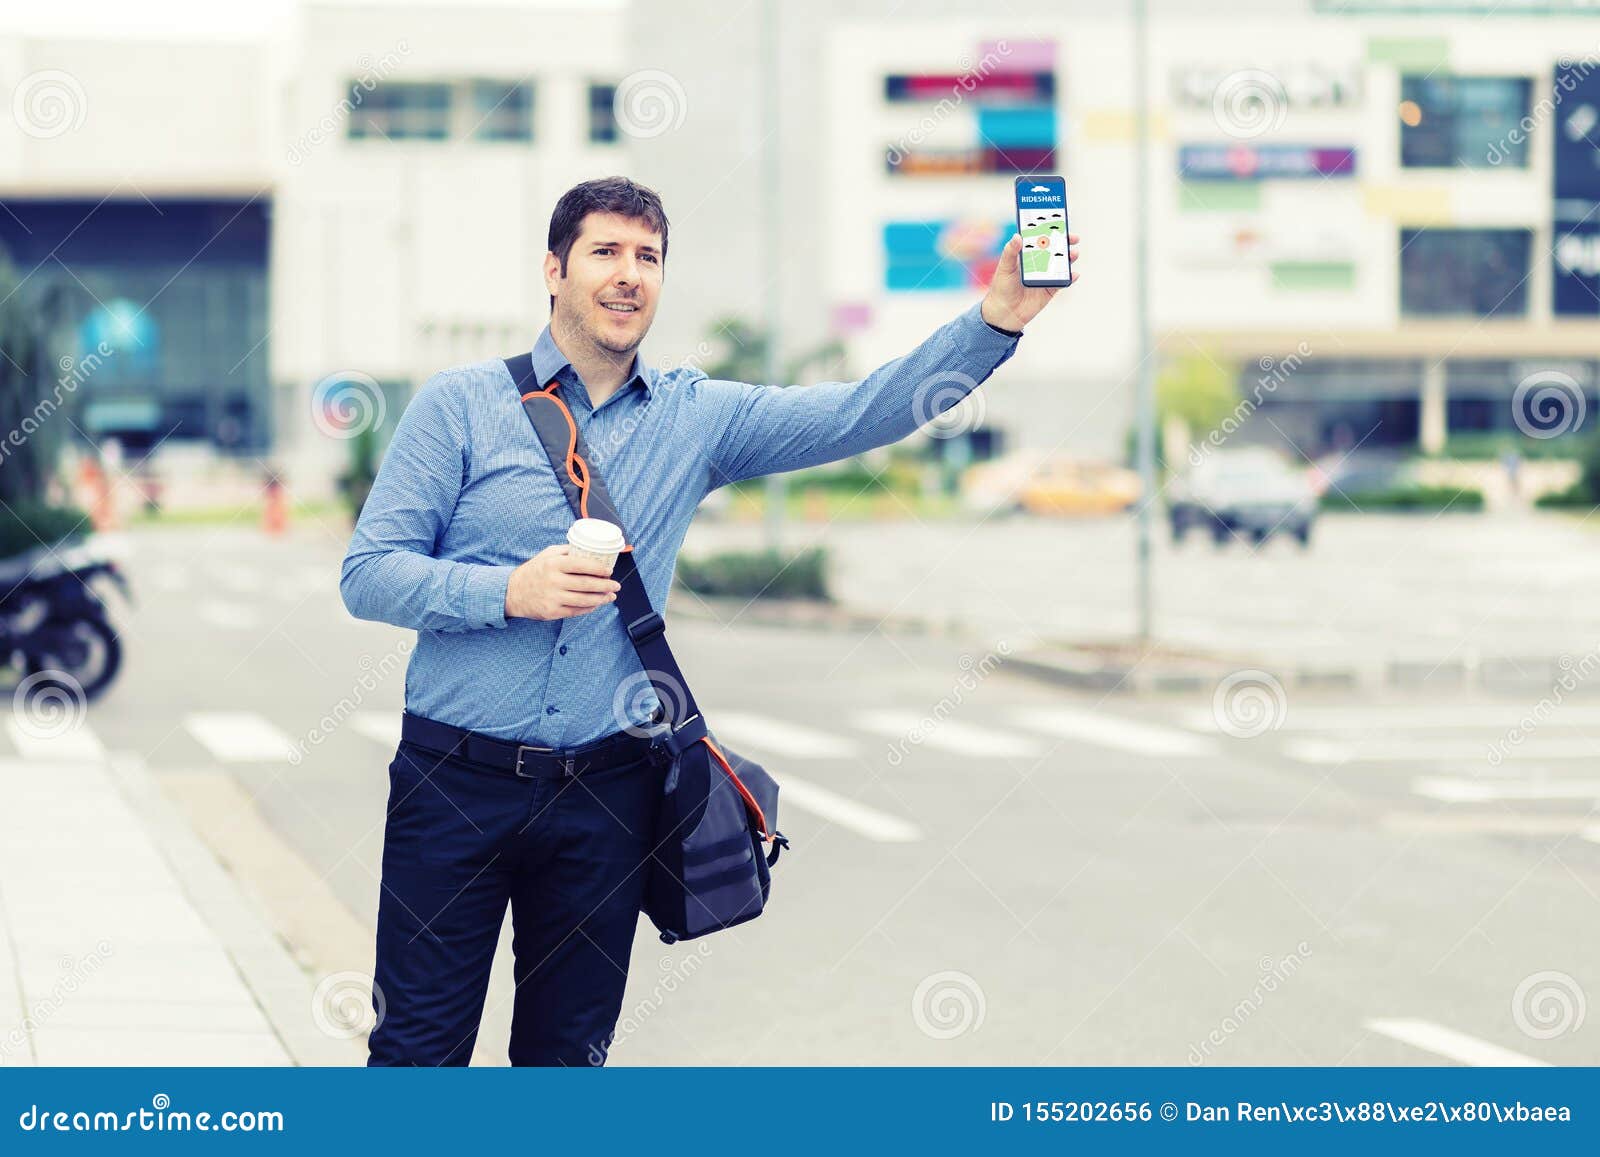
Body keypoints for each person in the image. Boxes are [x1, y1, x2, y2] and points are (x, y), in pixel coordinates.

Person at [340, 175, 1078, 1066]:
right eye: (605, 252)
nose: (628, 275)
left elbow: (863, 410)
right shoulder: (459, 405)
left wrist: (996, 319)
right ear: (553, 269)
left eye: (647, 257)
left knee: (566, 1058)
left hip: (605, 795)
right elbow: (368, 573)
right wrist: (507, 590)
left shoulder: (697, 416)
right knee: (415, 1052)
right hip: (454, 781)